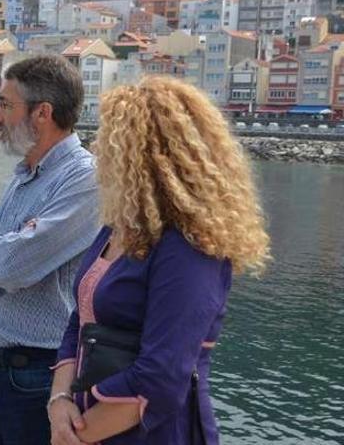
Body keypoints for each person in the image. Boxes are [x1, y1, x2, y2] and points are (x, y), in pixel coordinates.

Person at [48, 77, 271, 445]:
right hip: (88, 425)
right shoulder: (117, 227)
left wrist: (74, 437)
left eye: (108, 137)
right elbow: (80, 320)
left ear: (142, 153)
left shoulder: (190, 247)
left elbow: (162, 377)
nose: (96, 146)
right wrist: (59, 401)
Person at [0, 55, 100, 444]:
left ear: (43, 113)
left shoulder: (86, 179)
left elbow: (12, 267)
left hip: (43, 376)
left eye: (5, 104)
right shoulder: (23, 175)